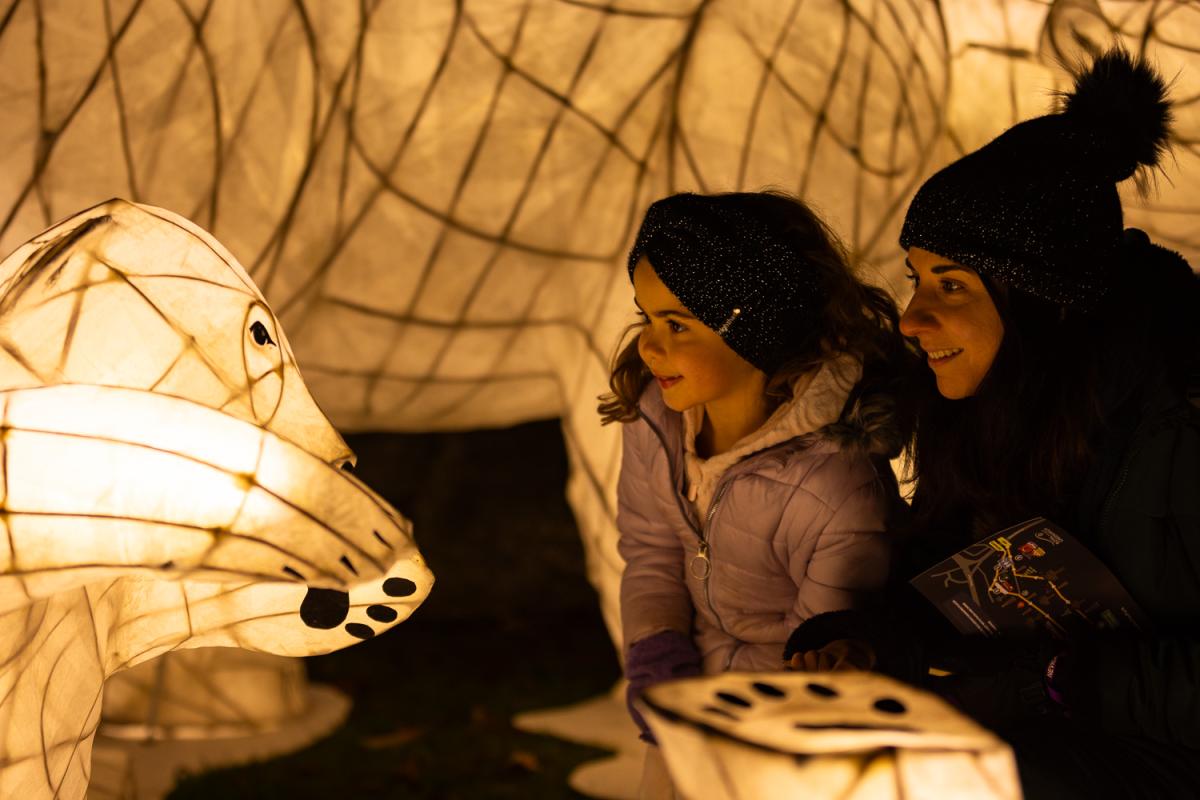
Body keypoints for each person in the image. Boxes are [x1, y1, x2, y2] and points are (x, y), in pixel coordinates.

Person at [784, 48, 1200, 797]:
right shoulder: (990, 404)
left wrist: (1062, 681)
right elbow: (962, 577)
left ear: (1045, 301)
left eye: (952, 285)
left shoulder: (1183, 416)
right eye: (915, 277)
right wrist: (871, 645)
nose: (912, 318)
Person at [598, 190, 916, 796]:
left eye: (677, 325)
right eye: (646, 317)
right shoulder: (657, 421)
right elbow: (653, 550)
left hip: (787, 735)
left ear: (755, 331)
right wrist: (657, 657)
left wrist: (722, 720)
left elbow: (824, 646)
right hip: (685, 702)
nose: (649, 346)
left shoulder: (834, 487)